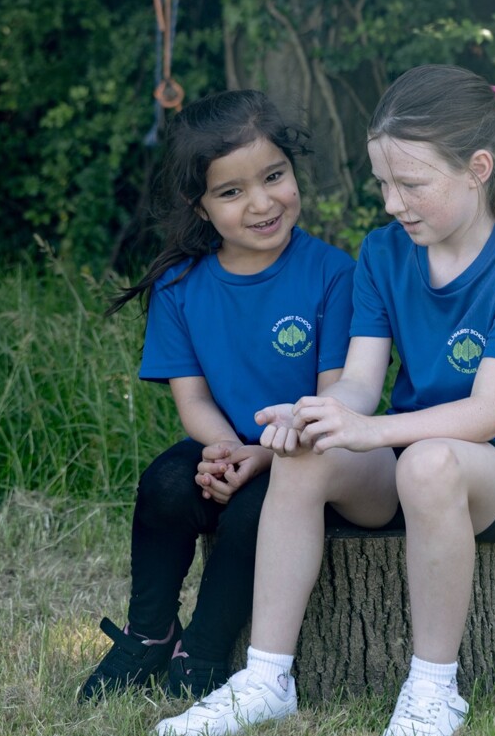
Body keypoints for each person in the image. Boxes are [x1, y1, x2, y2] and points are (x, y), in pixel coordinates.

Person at [155, 64, 495, 736]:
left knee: (432, 465)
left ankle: (434, 690)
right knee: (308, 451)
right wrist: (317, 413)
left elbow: (487, 415)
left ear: (478, 169)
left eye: (411, 185)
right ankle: (267, 681)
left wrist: (371, 427)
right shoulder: (383, 254)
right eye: (382, 184)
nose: (390, 203)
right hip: (409, 457)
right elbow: (357, 381)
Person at [79, 90, 356, 702]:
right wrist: (226, 449)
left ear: (292, 170)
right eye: (231, 192)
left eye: (274, 177)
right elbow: (194, 399)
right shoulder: (181, 285)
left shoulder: (334, 274)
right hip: (225, 450)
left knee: (259, 511)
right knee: (166, 483)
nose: (261, 203)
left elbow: (337, 401)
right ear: (200, 207)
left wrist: (264, 456)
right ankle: (148, 634)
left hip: (308, 460)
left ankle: (203, 652)